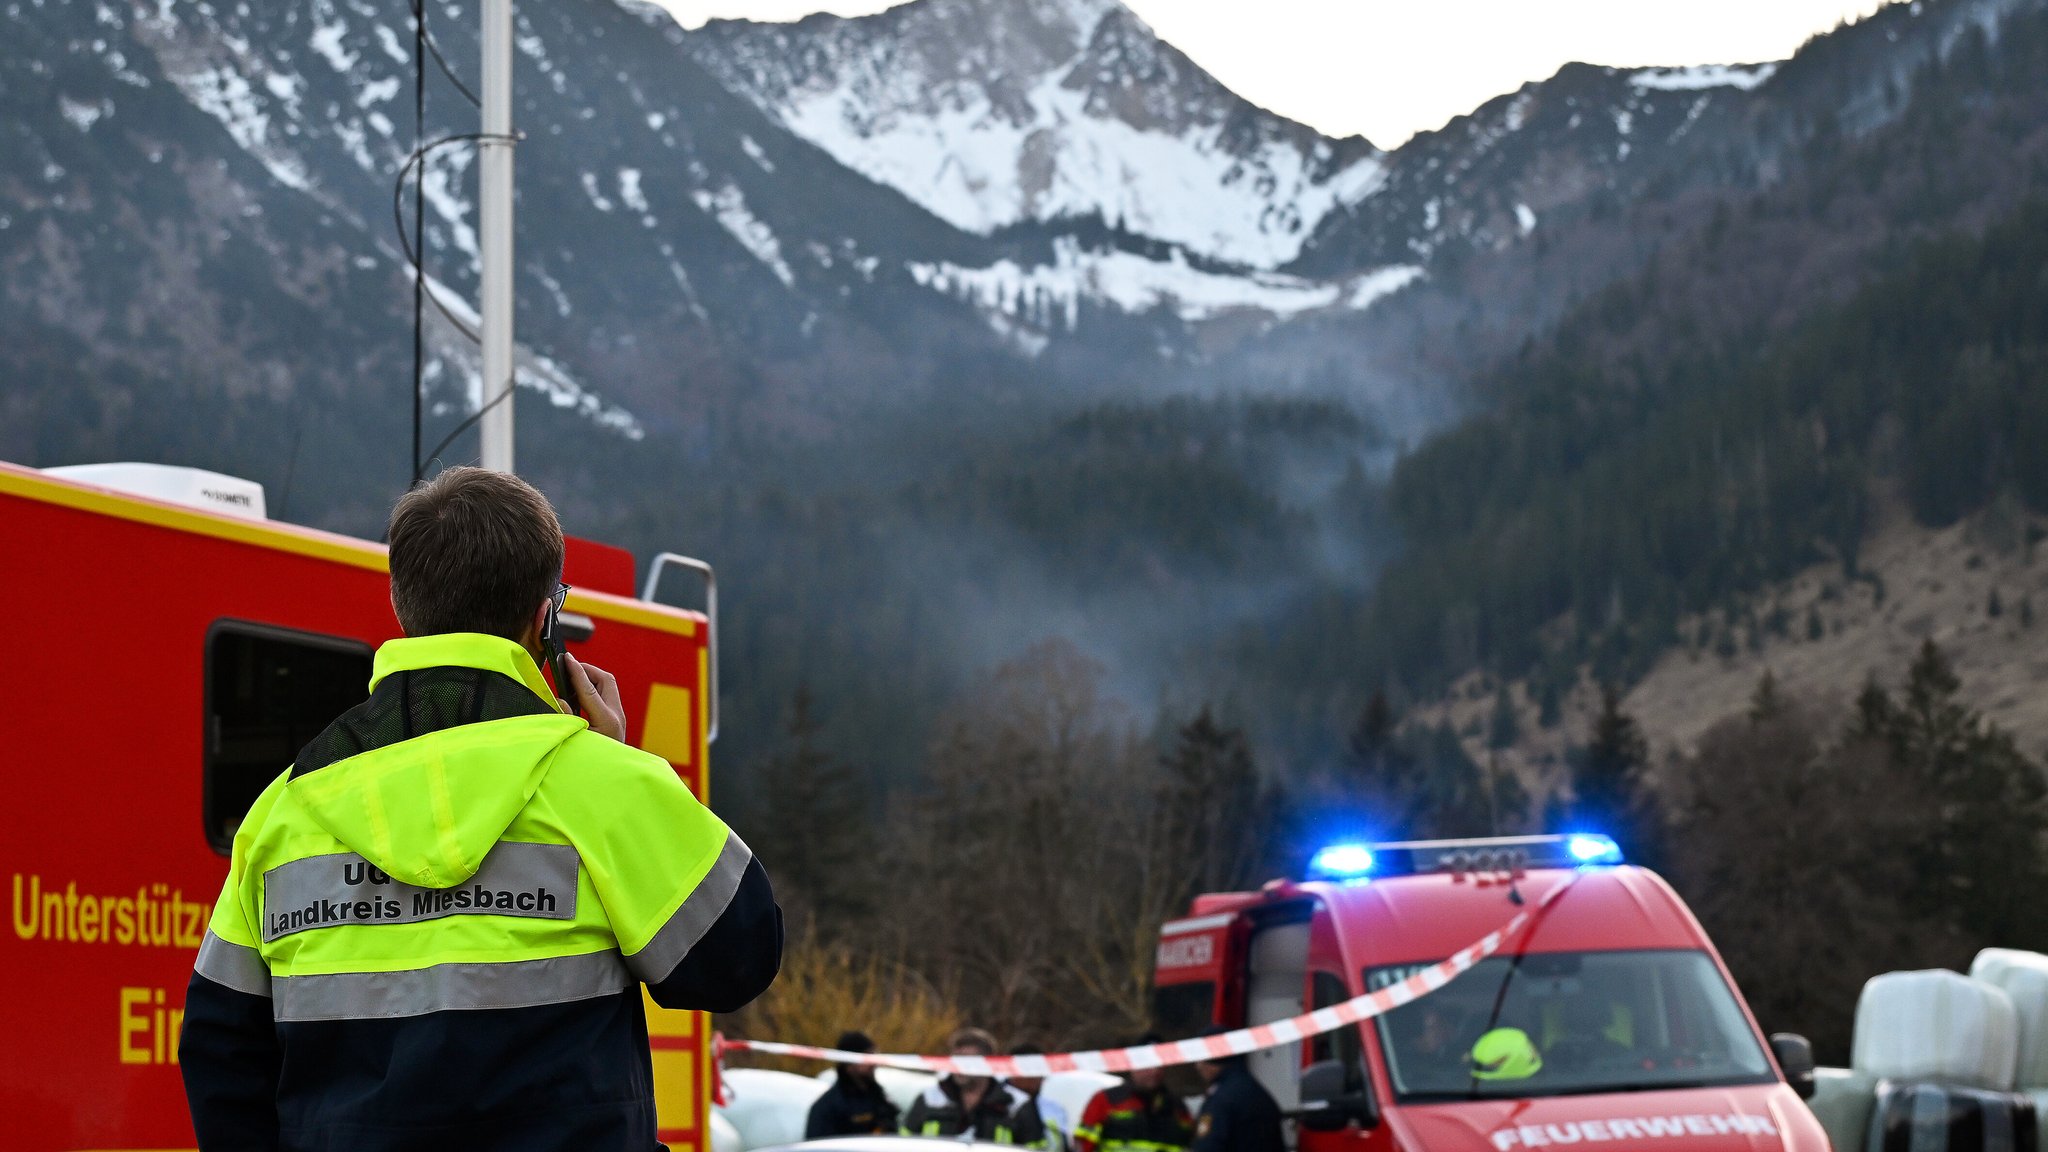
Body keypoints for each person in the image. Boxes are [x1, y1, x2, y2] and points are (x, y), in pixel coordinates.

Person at [179, 466, 784, 1150]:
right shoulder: (604, 782)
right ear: (544, 616)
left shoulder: (283, 810)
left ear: (404, 606)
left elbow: (219, 1045)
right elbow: (739, 956)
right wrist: (625, 770)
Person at [903, 1027, 1047, 1146]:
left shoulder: (1016, 1106)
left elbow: (1035, 1148)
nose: (959, 1067)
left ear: (987, 1063)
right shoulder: (929, 1100)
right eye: (956, 1059)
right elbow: (903, 1144)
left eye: (967, 1060)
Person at [1074, 1035, 1194, 1152]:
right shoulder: (1106, 1100)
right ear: (1133, 1064)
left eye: (1160, 1065)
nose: (1155, 1071)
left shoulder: (1178, 1108)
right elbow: (1083, 1144)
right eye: (1148, 1064)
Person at [1190, 1041, 1284, 1152]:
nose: (1198, 1066)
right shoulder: (1256, 1090)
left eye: (1200, 1060)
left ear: (1212, 1059)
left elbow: (1207, 1145)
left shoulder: (1219, 1099)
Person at [807, 1030, 902, 1138]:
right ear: (849, 1065)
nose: (873, 1063)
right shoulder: (828, 1107)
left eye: (874, 1055)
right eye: (867, 1057)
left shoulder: (880, 1098)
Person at [1010, 1042, 1070, 1151]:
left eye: (1040, 1070)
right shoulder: (1001, 1106)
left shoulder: (1055, 1108)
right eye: (1030, 1070)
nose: (1037, 1076)